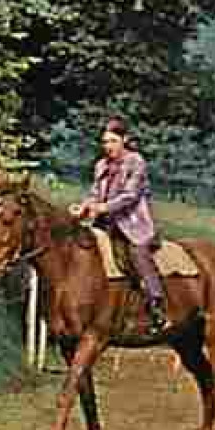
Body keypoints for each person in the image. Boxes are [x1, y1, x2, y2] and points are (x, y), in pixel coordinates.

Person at [68, 117, 169, 336]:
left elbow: (130, 196)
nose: (108, 147)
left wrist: (102, 208)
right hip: (104, 224)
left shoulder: (136, 162)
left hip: (133, 225)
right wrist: (84, 206)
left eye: (113, 141)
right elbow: (95, 193)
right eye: (105, 142)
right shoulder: (101, 165)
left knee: (137, 253)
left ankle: (156, 304)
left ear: (125, 140)